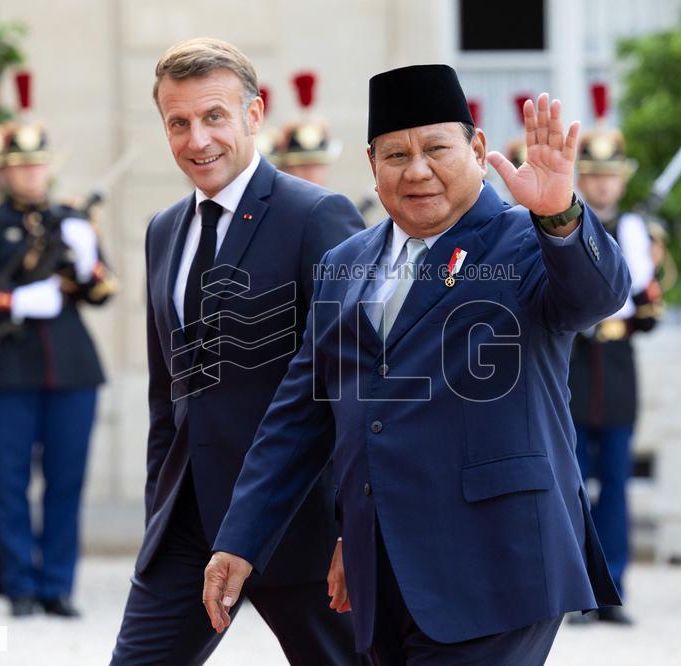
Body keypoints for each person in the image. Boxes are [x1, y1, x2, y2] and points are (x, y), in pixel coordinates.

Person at [205, 64, 630, 664]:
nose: (418, 170)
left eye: (436, 148)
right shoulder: (345, 263)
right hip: (381, 568)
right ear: (372, 165)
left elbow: (596, 296)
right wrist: (241, 539)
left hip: (498, 563)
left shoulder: (523, 241)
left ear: (477, 149)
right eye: (396, 154)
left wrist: (560, 215)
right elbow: (300, 415)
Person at [109, 38, 364, 665]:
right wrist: (156, 514)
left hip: (296, 520)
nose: (197, 140)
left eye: (214, 116)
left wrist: (356, 528)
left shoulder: (318, 216)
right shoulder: (163, 230)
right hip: (187, 524)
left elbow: (359, 383)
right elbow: (167, 394)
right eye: (179, 123)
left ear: (254, 115)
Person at [0, 70, 117, 618]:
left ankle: (57, 584)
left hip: (70, 366)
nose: (29, 173)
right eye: (19, 165)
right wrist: (17, 300)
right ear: (7, 169)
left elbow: (101, 290)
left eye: (37, 163)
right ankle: (19, 584)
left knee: (66, 482)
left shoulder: (69, 218)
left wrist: (85, 258)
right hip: (6, 366)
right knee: (9, 480)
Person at [565, 82, 660, 626]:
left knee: (617, 482)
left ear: (622, 178)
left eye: (610, 175)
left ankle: (614, 585)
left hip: (617, 367)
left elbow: (645, 302)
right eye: (593, 175)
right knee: (574, 482)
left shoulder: (635, 229)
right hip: (576, 361)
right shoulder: (570, 223)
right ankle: (579, 588)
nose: (602, 184)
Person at [275, 71, 340, 186]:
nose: (311, 175)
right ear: (285, 168)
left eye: (317, 165)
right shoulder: (288, 127)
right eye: (302, 166)